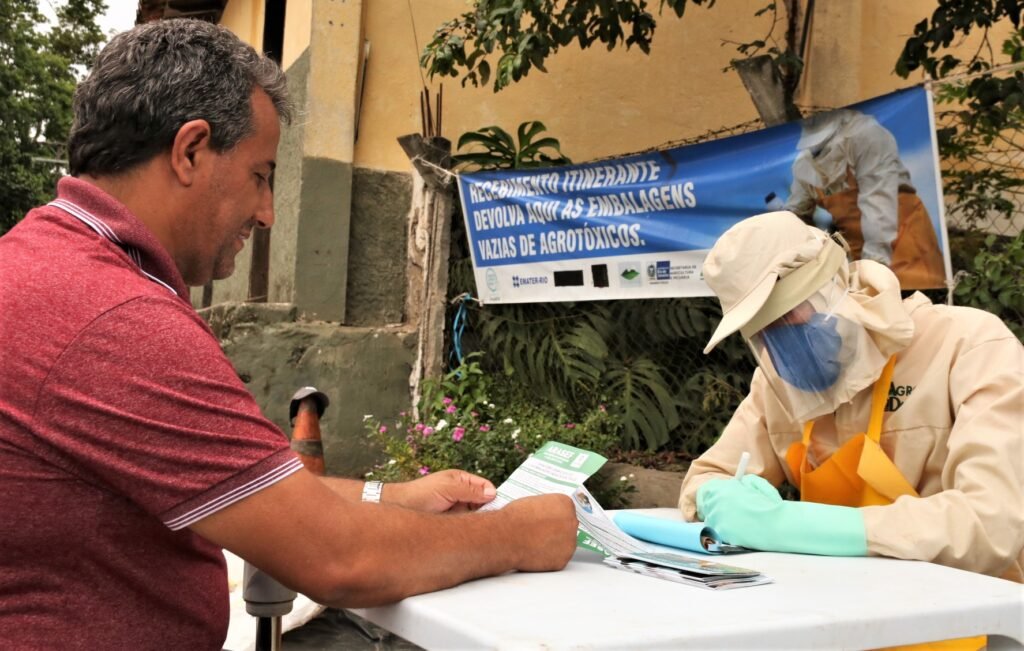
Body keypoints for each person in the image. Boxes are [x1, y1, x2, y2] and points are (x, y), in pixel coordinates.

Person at [0, 19, 577, 650]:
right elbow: (338, 558)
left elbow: (244, 485)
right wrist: (519, 534)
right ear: (190, 150)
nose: (268, 210)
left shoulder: (44, 268)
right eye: (261, 174)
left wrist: (394, 495)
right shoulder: (113, 318)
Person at [678, 211, 1023, 588]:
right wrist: (717, 496)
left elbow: (992, 523)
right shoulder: (775, 384)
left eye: (789, 313)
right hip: (844, 605)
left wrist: (790, 524)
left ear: (838, 285)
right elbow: (707, 477)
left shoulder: (967, 344)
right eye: (766, 332)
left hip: (978, 611)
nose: (786, 340)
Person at [784, 108, 948, 289]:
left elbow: (878, 201)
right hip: (857, 250)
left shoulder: (869, 138)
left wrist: (874, 266)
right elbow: (796, 214)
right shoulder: (803, 166)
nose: (819, 153)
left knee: (915, 300)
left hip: (903, 235)